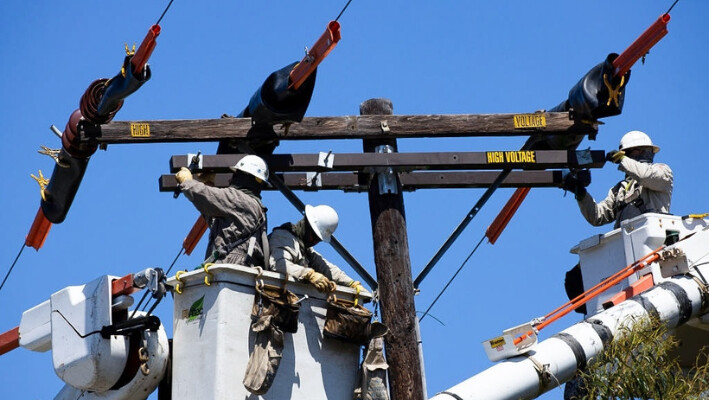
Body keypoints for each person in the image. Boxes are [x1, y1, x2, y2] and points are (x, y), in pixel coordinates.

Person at [563, 130, 673, 228]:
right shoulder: (620, 189)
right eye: (627, 153)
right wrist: (582, 194)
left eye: (630, 152)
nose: (628, 156)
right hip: (628, 244)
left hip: (652, 237)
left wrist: (622, 159)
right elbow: (597, 217)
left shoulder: (663, 172)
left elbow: (644, 175)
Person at [175, 155, 270, 266]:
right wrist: (208, 183)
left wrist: (187, 181)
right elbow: (214, 213)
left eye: (235, 175)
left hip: (231, 265)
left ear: (244, 176)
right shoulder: (254, 207)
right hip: (241, 265)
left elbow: (207, 197)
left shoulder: (239, 199)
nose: (230, 179)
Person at [269, 204, 365, 293]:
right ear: (306, 225)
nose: (314, 242)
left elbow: (327, 268)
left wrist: (351, 283)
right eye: (314, 236)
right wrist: (308, 274)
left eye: (318, 240)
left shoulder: (305, 249)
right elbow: (279, 264)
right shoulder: (283, 237)